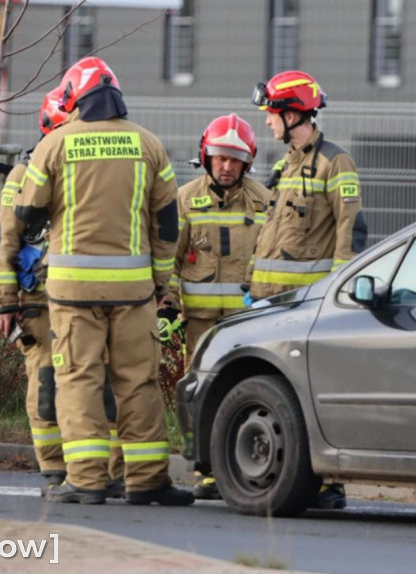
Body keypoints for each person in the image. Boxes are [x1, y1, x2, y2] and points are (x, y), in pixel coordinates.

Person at [14, 56, 192, 506]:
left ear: (75, 98)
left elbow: (28, 214)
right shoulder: (148, 145)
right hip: (135, 292)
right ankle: (148, 479)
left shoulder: (54, 145)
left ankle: (87, 481)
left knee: (79, 380)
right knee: (138, 382)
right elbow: (167, 224)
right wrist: (159, 281)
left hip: (72, 293)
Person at [0, 86, 124, 498]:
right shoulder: (22, 175)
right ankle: (55, 468)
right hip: (38, 298)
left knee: (99, 382)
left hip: (84, 292)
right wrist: (5, 300)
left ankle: (107, 471)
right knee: (48, 383)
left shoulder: (84, 168)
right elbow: (8, 241)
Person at [249, 70, 367, 509]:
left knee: (309, 394)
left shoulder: (337, 164)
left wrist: (334, 298)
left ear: (294, 112)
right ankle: (286, 478)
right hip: (269, 301)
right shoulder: (285, 166)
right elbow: (272, 235)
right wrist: (253, 287)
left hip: (307, 306)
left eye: (271, 113)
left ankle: (328, 485)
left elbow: (349, 235)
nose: (267, 122)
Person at [159, 113, 272, 500]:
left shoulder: (265, 201)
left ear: (248, 161)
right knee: (201, 394)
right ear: (205, 157)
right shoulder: (185, 199)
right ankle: (204, 470)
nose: (227, 166)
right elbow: (169, 260)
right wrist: (168, 304)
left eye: (235, 159)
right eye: (220, 157)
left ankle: (239, 464)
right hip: (201, 326)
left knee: (246, 392)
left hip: (247, 322)